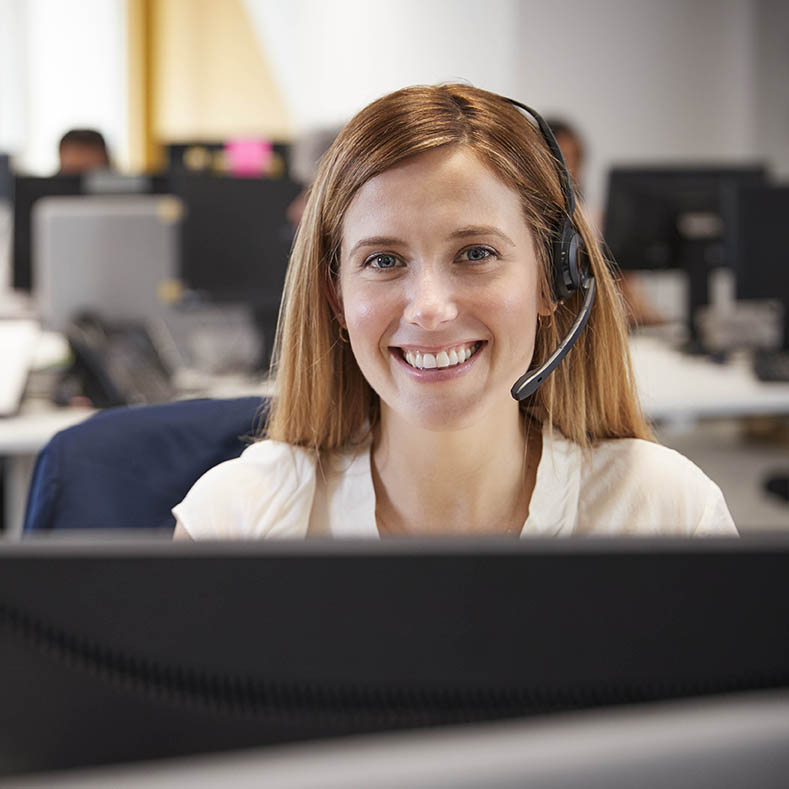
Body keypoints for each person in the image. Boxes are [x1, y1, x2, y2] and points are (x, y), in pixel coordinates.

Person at [173, 84, 736, 539]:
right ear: (335, 297)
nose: (431, 309)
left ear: (553, 279)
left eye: (476, 253)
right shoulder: (233, 523)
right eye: (385, 259)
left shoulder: (668, 515)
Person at [544, 117, 663, 328]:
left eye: (575, 159)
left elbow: (627, 286)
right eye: (561, 158)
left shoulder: (596, 219)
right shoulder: (529, 223)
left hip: (594, 324)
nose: (570, 170)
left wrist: (642, 311)